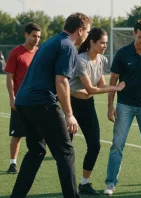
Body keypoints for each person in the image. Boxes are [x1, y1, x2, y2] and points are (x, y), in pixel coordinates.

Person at [10, 13, 92, 198]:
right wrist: (69, 114)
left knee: (37, 150)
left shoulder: (52, 42)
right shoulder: (68, 46)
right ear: (80, 31)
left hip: (24, 102)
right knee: (66, 152)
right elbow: (61, 81)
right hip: (42, 102)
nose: (87, 35)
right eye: (86, 31)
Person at [104, 19, 141, 195]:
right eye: (140, 37)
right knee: (117, 145)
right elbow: (113, 80)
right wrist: (110, 105)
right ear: (134, 34)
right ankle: (110, 183)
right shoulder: (123, 53)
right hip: (125, 105)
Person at [69, 27, 126, 195]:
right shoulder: (80, 60)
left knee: (94, 145)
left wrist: (113, 88)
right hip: (70, 106)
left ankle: (84, 183)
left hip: (87, 106)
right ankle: (68, 186)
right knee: (66, 149)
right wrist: (117, 87)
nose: (105, 46)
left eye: (106, 43)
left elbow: (100, 85)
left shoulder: (102, 60)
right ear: (92, 42)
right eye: (102, 42)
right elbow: (91, 88)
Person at [4, 22, 41, 174]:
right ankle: (13, 163)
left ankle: (35, 160)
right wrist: (12, 97)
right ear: (26, 35)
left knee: (38, 134)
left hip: (37, 100)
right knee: (17, 134)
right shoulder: (16, 53)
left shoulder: (39, 52)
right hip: (20, 100)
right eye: (33, 36)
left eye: (38, 37)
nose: (36, 39)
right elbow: (10, 77)